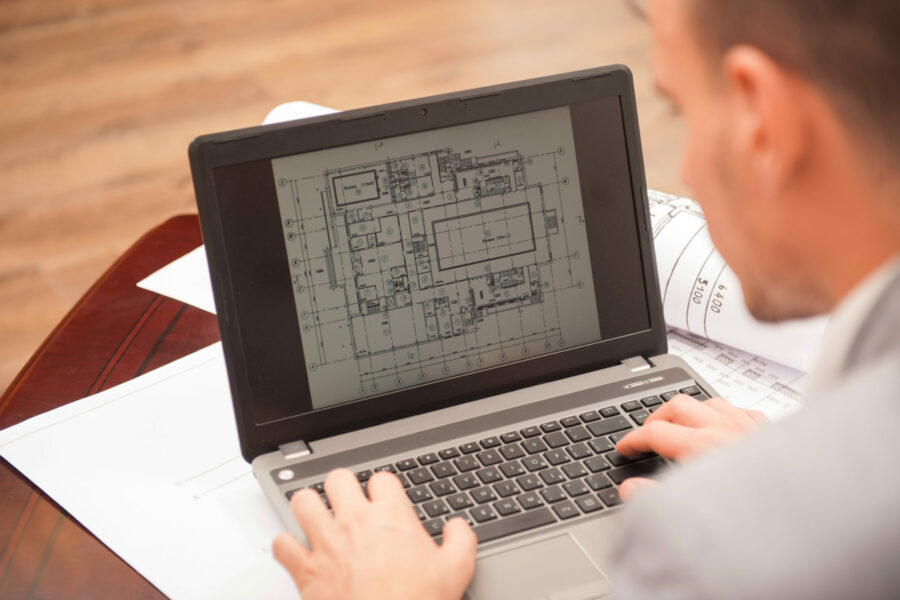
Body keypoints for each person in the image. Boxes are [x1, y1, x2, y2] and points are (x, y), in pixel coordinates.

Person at [271, 0, 900, 597]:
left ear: (763, 119)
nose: (684, 172)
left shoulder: (704, 552)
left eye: (679, 109)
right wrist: (792, 480)